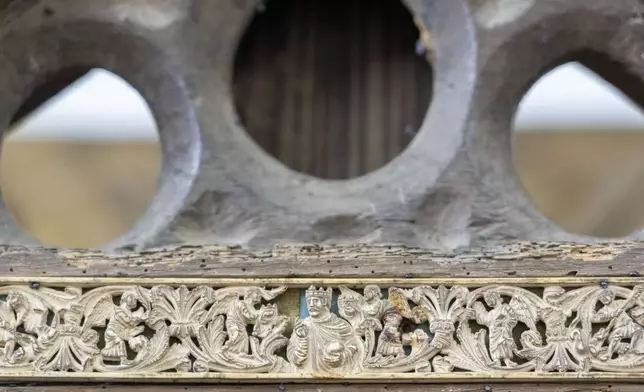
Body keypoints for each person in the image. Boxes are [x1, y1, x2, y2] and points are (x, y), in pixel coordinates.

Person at [287, 286, 364, 374]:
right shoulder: (302, 326)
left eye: (316, 300)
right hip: (306, 378)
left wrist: (342, 357)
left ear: (325, 302)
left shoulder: (341, 325)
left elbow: (355, 347)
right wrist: (302, 340)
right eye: (309, 301)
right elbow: (295, 361)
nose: (311, 304)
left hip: (339, 376)